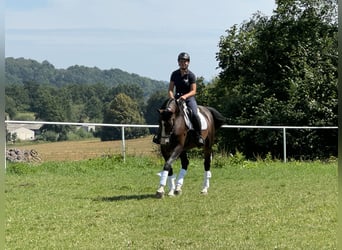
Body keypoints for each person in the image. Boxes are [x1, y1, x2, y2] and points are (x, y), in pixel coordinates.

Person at [153, 52, 204, 146]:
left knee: (195, 114)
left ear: (188, 63)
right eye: (181, 61)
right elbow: (170, 90)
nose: (183, 63)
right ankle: (158, 135)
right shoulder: (174, 74)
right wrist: (172, 99)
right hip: (176, 98)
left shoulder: (191, 75)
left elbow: (193, 91)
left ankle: (199, 136)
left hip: (188, 98)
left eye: (185, 61)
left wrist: (184, 96)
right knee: (163, 113)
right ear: (178, 62)